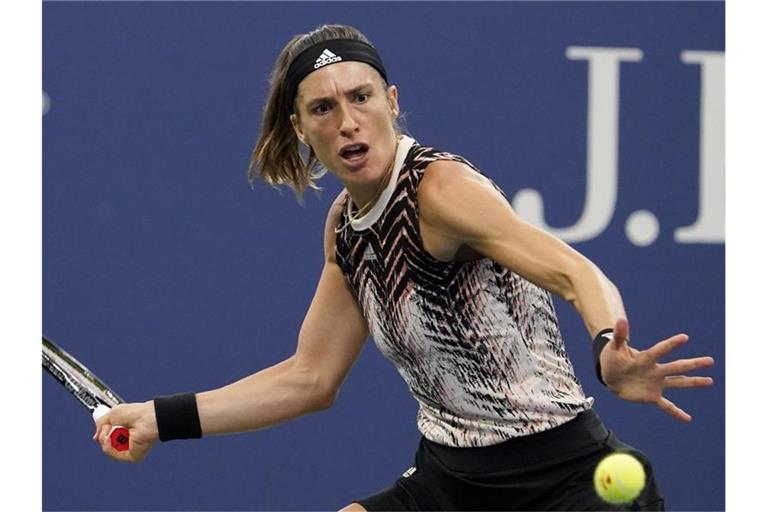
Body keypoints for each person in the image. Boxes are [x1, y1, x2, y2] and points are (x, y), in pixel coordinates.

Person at [94, 24, 715, 511]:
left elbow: (575, 272)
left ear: (391, 101)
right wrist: (156, 419)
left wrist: (608, 346)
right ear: (301, 129)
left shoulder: (438, 191)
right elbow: (311, 378)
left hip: (563, 483)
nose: (347, 122)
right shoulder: (345, 225)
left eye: (360, 98)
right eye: (323, 109)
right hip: (450, 483)